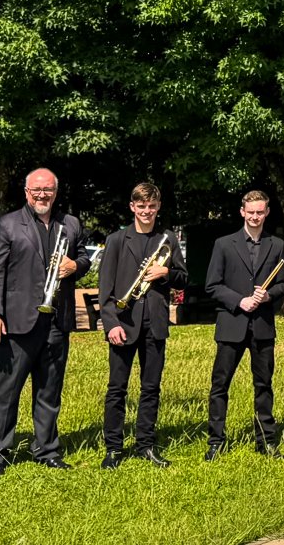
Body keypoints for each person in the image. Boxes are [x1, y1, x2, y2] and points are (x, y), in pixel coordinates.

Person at [0, 168, 88, 474]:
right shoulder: (7, 223)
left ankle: (47, 449)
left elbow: (83, 258)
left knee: (50, 390)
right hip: (17, 320)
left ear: (56, 192)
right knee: (6, 390)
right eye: (37, 189)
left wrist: (75, 265)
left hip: (56, 321)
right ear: (26, 192)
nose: (42, 195)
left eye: (48, 190)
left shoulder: (71, 223)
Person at [97, 182, 185, 469]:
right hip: (123, 323)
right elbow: (105, 288)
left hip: (155, 323)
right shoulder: (117, 241)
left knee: (151, 388)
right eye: (141, 206)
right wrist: (110, 324)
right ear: (132, 207)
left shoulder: (168, 238)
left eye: (152, 206)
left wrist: (166, 272)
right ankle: (113, 448)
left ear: (158, 207)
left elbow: (184, 280)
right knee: (117, 389)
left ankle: (146, 444)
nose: (146, 211)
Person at [204, 190, 284, 458]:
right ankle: (216, 442)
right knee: (220, 385)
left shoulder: (276, 244)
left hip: (262, 325)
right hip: (232, 323)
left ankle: (266, 441)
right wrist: (239, 301)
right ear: (242, 212)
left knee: (263, 384)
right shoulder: (223, 244)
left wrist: (267, 296)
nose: (254, 216)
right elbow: (212, 285)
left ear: (266, 213)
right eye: (250, 212)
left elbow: (283, 285)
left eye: (259, 212)